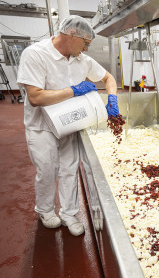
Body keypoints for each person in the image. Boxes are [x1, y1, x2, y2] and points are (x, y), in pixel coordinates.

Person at [17, 15, 119, 236]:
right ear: (72, 35)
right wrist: (73, 91)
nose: (87, 49)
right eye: (86, 43)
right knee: (47, 169)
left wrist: (112, 99)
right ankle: (45, 210)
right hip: (41, 126)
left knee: (69, 169)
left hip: (69, 123)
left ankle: (70, 213)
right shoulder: (36, 54)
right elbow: (35, 96)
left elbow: (108, 78)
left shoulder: (82, 60)